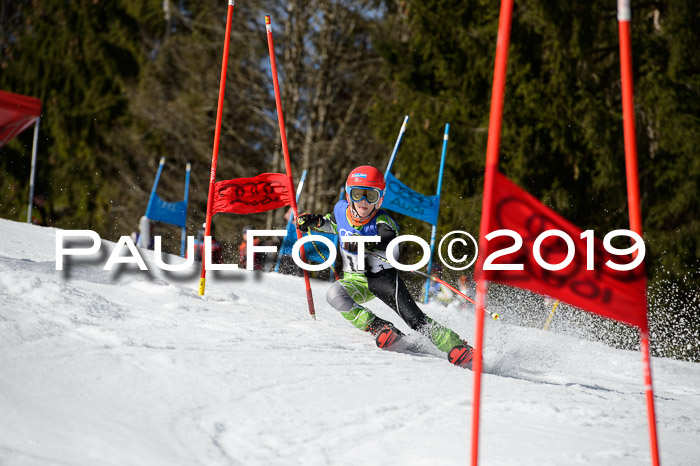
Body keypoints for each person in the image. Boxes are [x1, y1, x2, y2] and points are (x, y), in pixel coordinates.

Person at [297, 165, 473, 367]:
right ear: (348, 194)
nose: (363, 202)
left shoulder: (382, 220)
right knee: (334, 294)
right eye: (357, 194)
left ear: (380, 199)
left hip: (383, 280)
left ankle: (458, 346)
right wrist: (314, 221)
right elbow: (335, 224)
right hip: (355, 280)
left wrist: (366, 241)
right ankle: (379, 327)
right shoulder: (340, 209)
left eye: (370, 196)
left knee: (415, 320)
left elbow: (387, 237)